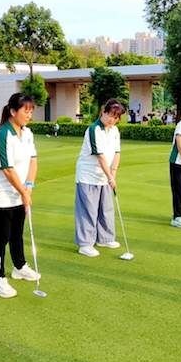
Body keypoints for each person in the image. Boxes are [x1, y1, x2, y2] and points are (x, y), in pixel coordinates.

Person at [0, 93, 41, 298]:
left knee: (17, 233)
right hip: (0, 194)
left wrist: (29, 187)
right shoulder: (3, 134)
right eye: (26, 110)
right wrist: (24, 191)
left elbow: (33, 160)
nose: (29, 114)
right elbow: (6, 169)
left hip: (20, 191)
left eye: (31, 110)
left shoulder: (27, 133)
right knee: (0, 238)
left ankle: (19, 266)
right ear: (13, 111)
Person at [74, 99, 124, 257]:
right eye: (110, 115)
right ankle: (85, 244)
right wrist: (110, 176)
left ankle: (105, 238)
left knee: (106, 208)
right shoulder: (93, 129)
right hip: (88, 176)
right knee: (88, 210)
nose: (112, 120)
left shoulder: (114, 131)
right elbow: (100, 156)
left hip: (105, 176)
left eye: (116, 117)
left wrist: (113, 174)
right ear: (103, 112)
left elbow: (117, 153)